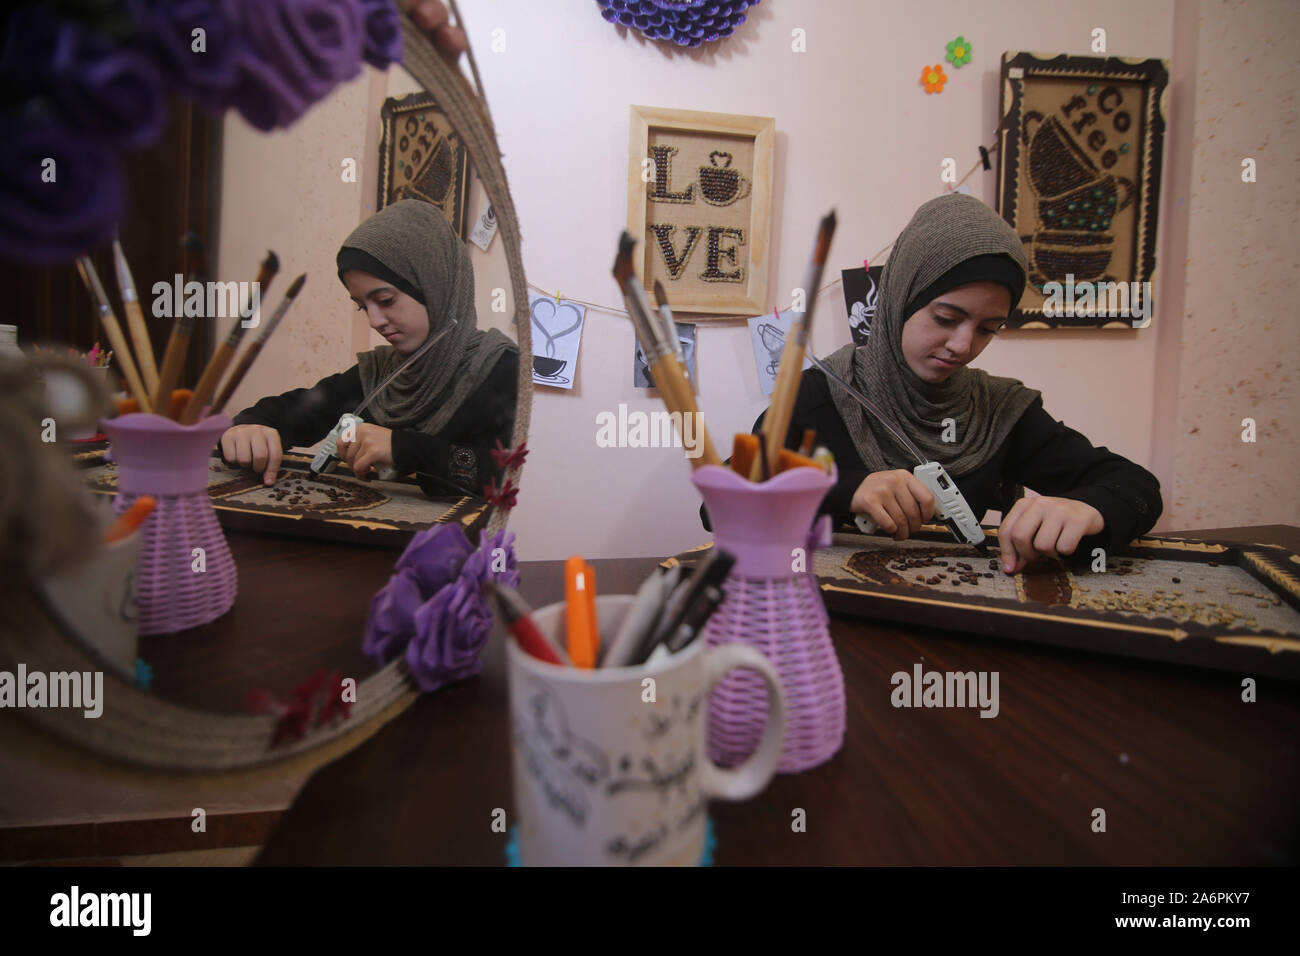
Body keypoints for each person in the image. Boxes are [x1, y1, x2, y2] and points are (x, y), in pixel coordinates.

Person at [747, 193, 1162, 574]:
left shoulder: (999, 410)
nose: (962, 346)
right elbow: (729, 498)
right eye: (946, 318)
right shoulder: (818, 394)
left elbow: (1135, 486)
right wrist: (844, 488)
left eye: (988, 329)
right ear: (900, 296)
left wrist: (1087, 509)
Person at [219, 199, 518, 498]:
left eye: (386, 300)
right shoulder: (383, 374)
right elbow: (296, 411)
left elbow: (512, 476)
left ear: (435, 286)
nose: (374, 321)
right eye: (363, 307)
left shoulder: (503, 369)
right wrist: (250, 427)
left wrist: (402, 448)